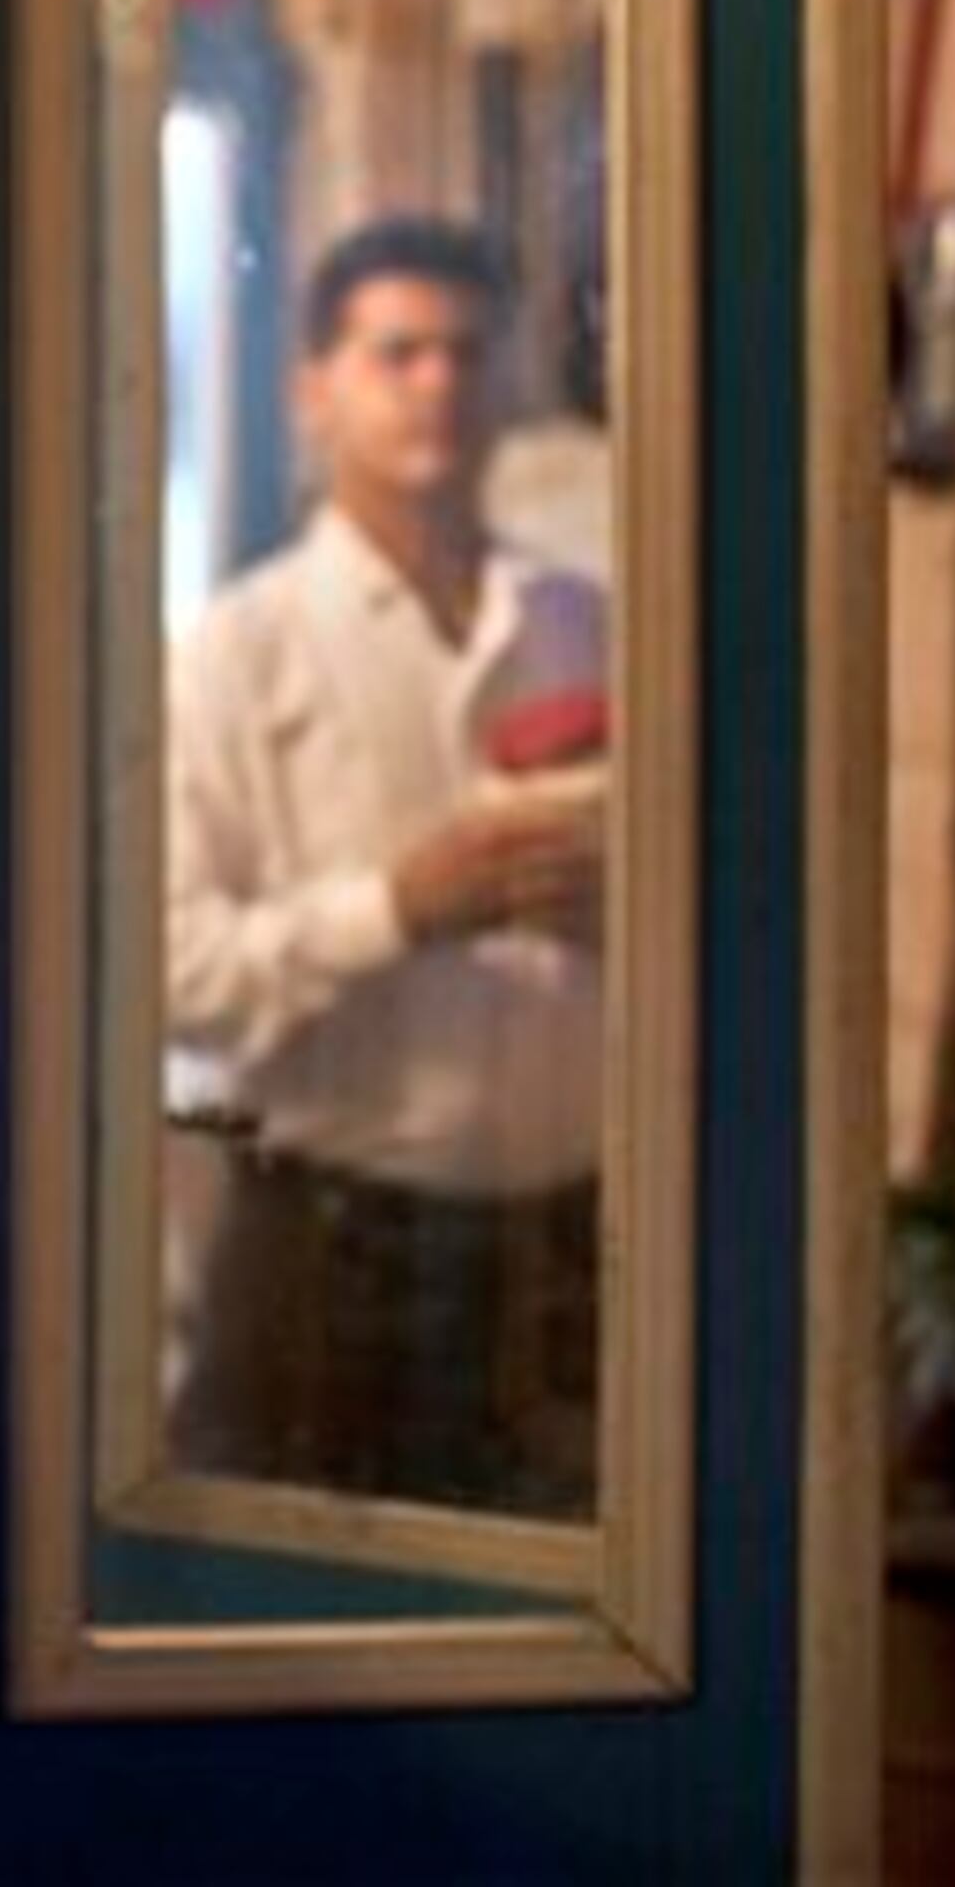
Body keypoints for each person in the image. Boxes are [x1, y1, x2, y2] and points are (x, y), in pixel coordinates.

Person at [160, 215, 609, 1517]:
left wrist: (630, 918)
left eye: (469, 354)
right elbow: (173, 971)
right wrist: (396, 909)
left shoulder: (584, 624)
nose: (440, 386)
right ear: (314, 391)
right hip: (332, 1249)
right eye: (397, 352)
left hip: (568, 1245)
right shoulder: (239, 655)